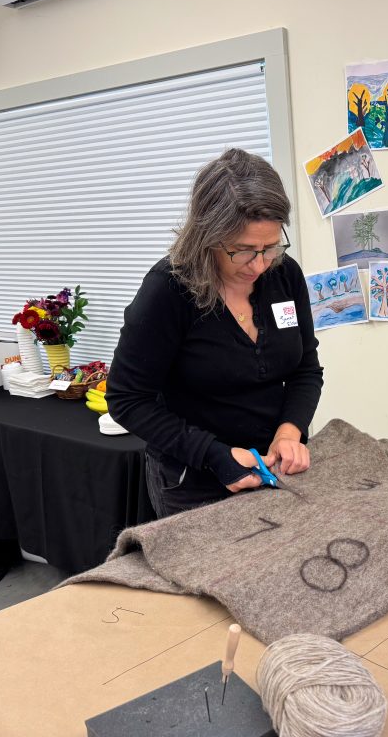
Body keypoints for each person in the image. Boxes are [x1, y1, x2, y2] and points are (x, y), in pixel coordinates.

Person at [107, 149, 323, 517]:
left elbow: (306, 369)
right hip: (191, 480)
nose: (258, 264)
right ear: (207, 237)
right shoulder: (168, 290)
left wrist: (289, 433)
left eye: (270, 247)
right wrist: (214, 454)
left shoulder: (284, 276)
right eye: (242, 251)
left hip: (274, 468)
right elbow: (127, 399)